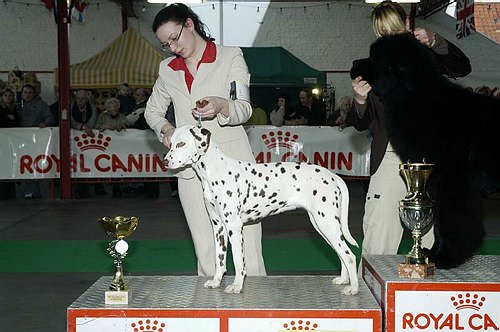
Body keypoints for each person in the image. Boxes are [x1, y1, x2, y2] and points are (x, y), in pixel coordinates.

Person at [144, 3, 266, 277]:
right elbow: (152, 111)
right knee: (206, 248)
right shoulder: (167, 69)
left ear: (190, 24)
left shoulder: (230, 56)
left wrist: (223, 105)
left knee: (249, 247)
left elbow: (244, 108)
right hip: (190, 173)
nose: (173, 48)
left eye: (175, 38)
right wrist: (166, 130)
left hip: (236, 169)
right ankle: (211, 312)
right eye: (166, 44)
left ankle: (258, 311)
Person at [348, 1, 471, 261]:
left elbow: (462, 67)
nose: (390, 38)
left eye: (394, 30)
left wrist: (436, 40)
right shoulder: (367, 67)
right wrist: (359, 102)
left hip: (430, 158)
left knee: (432, 237)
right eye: (383, 33)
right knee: (378, 235)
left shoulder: (428, 56)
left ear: (406, 25)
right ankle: (372, 298)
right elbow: (360, 123)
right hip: (391, 157)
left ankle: (431, 296)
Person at [18, 84, 55, 199]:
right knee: (26, 164)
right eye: (25, 93)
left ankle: (32, 190)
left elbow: (50, 118)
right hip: (23, 140)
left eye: (30, 93)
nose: (27, 95)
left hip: (37, 141)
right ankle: (33, 190)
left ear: (34, 94)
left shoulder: (41, 105)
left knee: (33, 164)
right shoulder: (20, 106)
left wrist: (45, 124)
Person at [70, 90, 106, 198]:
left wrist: (87, 128)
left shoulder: (92, 108)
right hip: (78, 140)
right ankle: (80, 189)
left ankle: (98, 187)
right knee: (79, 164)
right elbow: (70, 121)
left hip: (90, 140)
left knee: (94, 163)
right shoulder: (70, 108)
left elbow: (92, 121)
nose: (80, 101)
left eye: (83, 99)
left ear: (87, 99)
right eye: (78, 99)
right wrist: (83, 127)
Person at [95, 97, 128, 198]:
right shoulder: (102, 116)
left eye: (117, 106)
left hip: (118, 147)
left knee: (116, 167)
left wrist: (117, 127)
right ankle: (100, 188)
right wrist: (104, 126)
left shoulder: (122, 116)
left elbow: (126, 124)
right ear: (108, 108)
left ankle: (116, 188)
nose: (116, 108)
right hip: (105, 147)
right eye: (113, 107)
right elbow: (96, 127)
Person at [0, 88, 19, 199]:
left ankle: (10, 192)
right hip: (2, 143)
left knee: (11, 166)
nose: (8, 97)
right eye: (6, 95)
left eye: (10, 95)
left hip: (10, 143)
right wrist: (8, 119)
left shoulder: (15, 109)